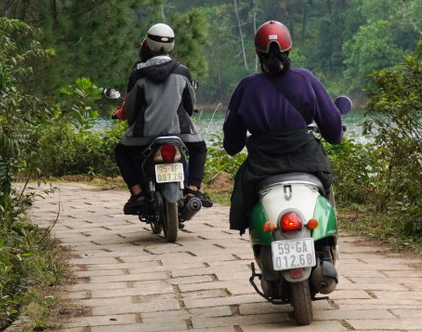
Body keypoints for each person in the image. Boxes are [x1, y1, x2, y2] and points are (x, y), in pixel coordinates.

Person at [222, 20, 344, 233]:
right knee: (327, 184)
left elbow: (232, 145)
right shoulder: (306, 79)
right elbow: (333, 132)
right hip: (307, 160)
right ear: (289, 50)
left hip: (262, 165)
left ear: (257, 53)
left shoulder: (246, 87)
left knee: (245, 192)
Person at [114, 22, 210, 215]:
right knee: (199, 149)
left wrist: (135, 126)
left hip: (144, 135)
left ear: (148, 44)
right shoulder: (182, 72)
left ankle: (138, 195)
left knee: (121, 152)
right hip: (180, 133)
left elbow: (131, 109)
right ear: (171, 45)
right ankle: (192, 191)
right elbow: (190, 106)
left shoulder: (138, 73)